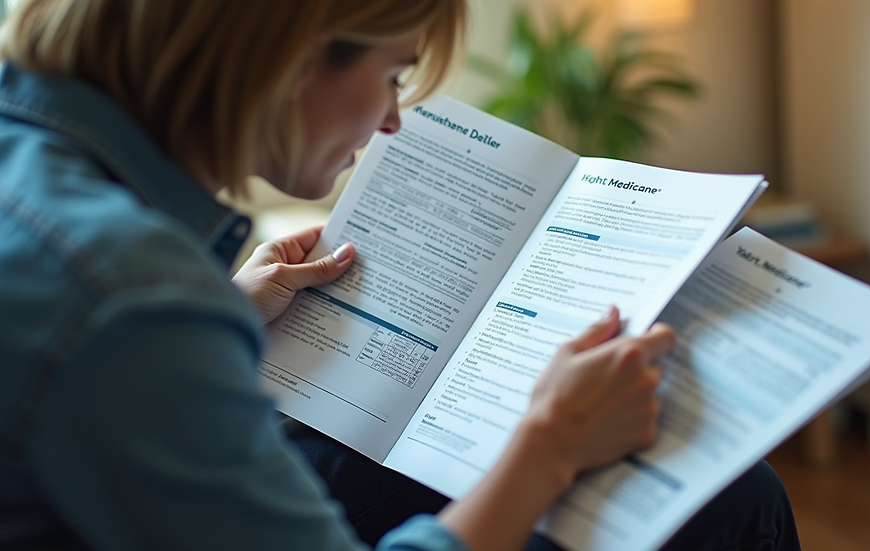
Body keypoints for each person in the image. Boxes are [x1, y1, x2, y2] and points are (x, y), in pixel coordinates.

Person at [0, 1, 801, 550]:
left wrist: (225, 318)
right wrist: (548, 444)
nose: (392, 118)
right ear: (294, 61)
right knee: (739, 503)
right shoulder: (130, 294)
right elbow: (113, 330)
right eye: (393, 74)